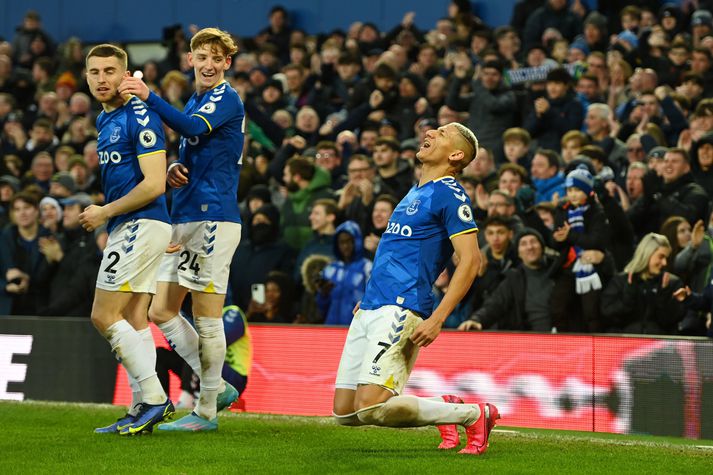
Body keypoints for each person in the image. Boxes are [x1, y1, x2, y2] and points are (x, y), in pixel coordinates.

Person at [332, 122, 499, 456]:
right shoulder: (417, 190)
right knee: (346, 413)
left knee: (369, 407)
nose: (431, 133)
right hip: (372, 305)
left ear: (455, 154)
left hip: (402, 305)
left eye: (441, 133)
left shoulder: (449, 194)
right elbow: (396, 251)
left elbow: (470, 260)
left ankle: (475, 414)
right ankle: (445, 407)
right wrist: (368, 296)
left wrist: (438, 318)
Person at [120, 27, 244, 431]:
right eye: (201, 57)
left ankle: (206, 410)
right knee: (162, 308)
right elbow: (198, 141)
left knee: (207, 315)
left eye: (216, 58)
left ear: (227, 63)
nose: (208, 65)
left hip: (213, 218)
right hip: (188, 214)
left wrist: (148, 96)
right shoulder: (198, 99)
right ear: (190, 59)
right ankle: (217, 386)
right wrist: (175, 168)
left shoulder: (226, 97)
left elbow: (192, 129)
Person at [81, 44, 173, 435]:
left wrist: (104, 211)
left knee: (103, 315)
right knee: (135, 318)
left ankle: (154, 398)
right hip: (134, 225)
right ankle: (141, 407)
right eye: (95, 72)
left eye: (110, 71)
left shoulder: (140, 115)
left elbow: (154, 184)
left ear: (126, 75)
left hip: (141, 221)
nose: (102, 79)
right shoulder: (107, 118)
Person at [317, 221, 372, 325]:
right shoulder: (330, 269)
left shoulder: (367, 268)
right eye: (341, 242)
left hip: (356, 330)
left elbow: (373, 301)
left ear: (357, 241)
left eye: (349, 241)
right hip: (330, 329)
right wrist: (323, 294)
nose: (345, 246)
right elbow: (321, 308)